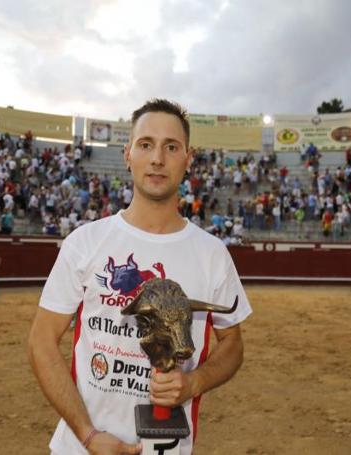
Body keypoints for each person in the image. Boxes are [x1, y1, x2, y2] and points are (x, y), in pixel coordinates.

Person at [27, 99, 252, 455]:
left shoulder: (212, 254)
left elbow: (233, 345)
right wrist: (87, 435)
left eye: (171, 147)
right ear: (127, 154)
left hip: (167, 447)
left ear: (188, 159)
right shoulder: (84, 243)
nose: (157, 158)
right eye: (146, 144)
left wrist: (194, 382)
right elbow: (41, 341)